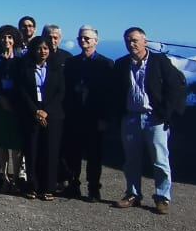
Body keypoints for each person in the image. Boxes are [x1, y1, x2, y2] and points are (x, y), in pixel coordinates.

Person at [112, 27, 187, 215]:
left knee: (160, 160)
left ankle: (162, 198)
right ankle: (133, 194)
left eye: (135, 40)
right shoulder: (121, 64)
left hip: (154, 119)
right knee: (131, 160)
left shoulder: (159, 61)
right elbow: (113, 92)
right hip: (130, 117)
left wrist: (167, 113)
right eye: (128, 40)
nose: (132, 44)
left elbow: (176, 86)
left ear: (145, 41)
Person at [61, 26, 112, 201]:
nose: (84, 41)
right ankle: (73, 184)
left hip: (95, 117)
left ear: (96, 41)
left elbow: (109, 95)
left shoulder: (106, 64)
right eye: (81, 38)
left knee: (94, 155)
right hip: (74, 115)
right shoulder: (72, 63)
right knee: (72, 153)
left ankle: (93, 188)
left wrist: (105, 118)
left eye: (87, 39)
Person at [18, 36, 66, 201]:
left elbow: (61, 92)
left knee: (51, 152)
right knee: (32, 151)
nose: (42, 51)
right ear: (33, 50)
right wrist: (36, 111)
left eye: (45, 48)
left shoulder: (56, 68)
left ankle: (49, 187)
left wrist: (46, 111)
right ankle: (32, 186)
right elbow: (22, 91)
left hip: (53, 116)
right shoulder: (25, 68)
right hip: (31, 114)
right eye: (39, 48)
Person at [0, 27, 25, 192]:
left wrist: (13, 100)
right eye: (3, 37)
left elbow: (24, 82)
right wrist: (0, 98)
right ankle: (5, 178)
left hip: (16, 105)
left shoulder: (21, 59)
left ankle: (16, 178)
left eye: (10, 37)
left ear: (14, 39)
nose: (6, 40)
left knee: (16, 145)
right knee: (0, 143)